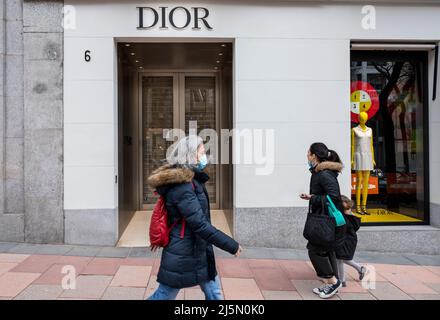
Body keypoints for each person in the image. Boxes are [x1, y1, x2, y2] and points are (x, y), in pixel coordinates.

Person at [146, 135, 243, 300]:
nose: (205, 156)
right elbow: (200, 224)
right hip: (183, 252)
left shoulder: (192, 180)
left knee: (214, 294)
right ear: (191, 155)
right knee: (164, 295)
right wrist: (231, 245)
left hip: (198, 249)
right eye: (202, 152)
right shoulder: (183, 187)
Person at [300, 142, 346, 299]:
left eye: (308, 153)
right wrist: (312, 197)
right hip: (324, 217)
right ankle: (331, 284)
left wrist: (314, 198)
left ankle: (333, 282)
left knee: (315, 250)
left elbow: (334, 196)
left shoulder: (324, 174)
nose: (307, 156)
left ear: (314, 156)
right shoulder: (319, 172)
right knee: (326, 249)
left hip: (326, 220)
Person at [335, 195, 367, 287]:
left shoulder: (349, 217)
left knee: (341, 258)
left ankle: (342, 280)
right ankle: (359, 269)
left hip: (348, 240)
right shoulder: (350, 216)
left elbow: (345, 227)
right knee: (341, 258)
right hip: (347, 239)